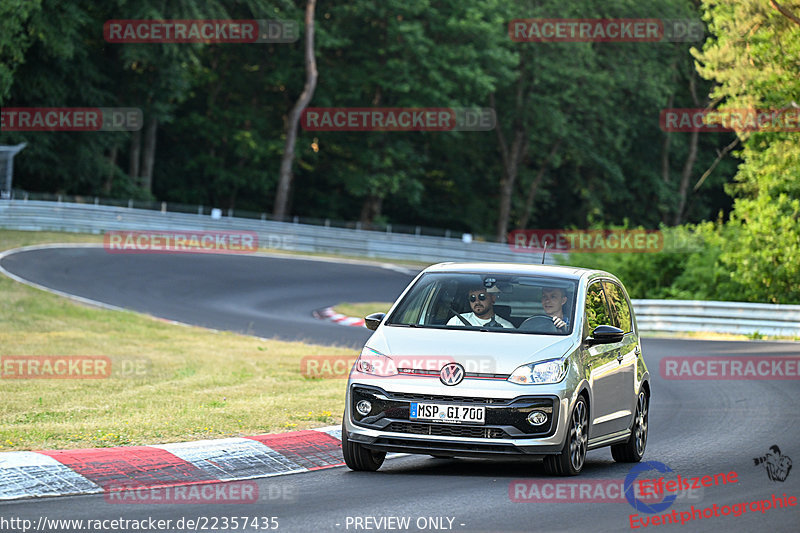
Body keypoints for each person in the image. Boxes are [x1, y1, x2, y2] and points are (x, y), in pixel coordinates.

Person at [447, 286, 513, 328]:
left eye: (482, 297)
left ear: (493, 299)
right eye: (472, 298)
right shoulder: (456, 321)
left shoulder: (506, 327)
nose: (477, 302)